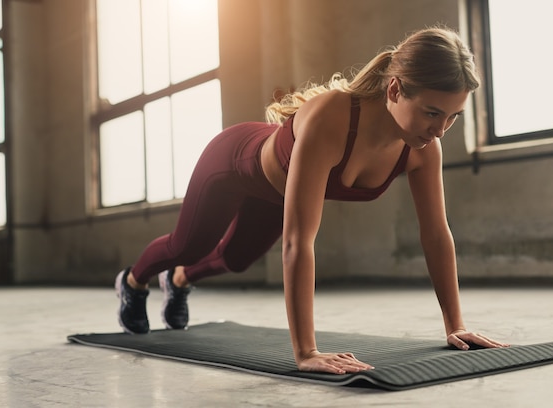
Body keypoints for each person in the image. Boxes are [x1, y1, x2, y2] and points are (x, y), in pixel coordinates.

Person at [114, 26, 509, 375]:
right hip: (232, 163)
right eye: (432, 113)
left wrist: (455, 325)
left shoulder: (423, 148)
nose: (440, 130)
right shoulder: (332, 117)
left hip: (277, 192)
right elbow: (298, 240)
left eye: (453, 117)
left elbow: (436, 235)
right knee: (189, 245)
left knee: (236, 259)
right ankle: (134, 282)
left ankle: (179, 279)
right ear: (394, 89)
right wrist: (306, 351)